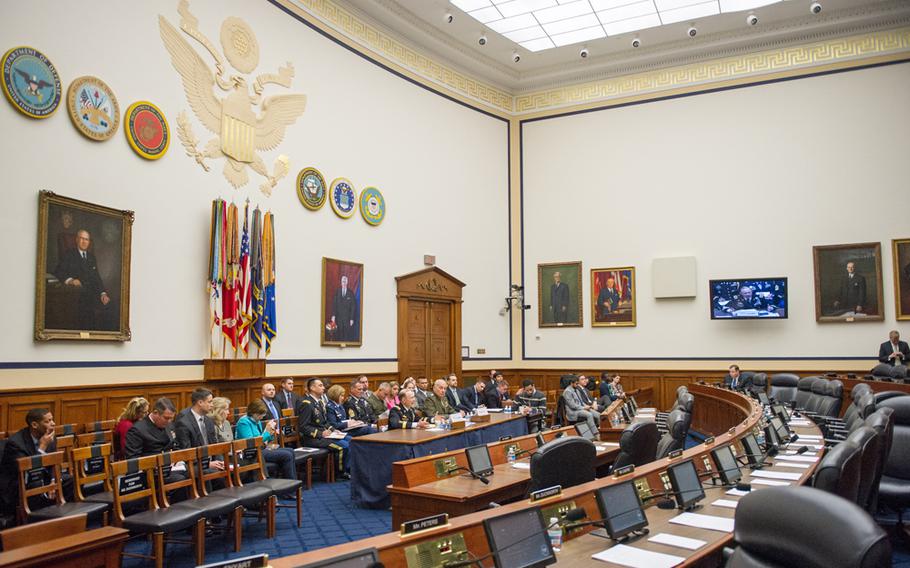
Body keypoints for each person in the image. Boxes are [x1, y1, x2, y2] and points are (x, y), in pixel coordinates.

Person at [0, 408, 72, 516]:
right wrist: (42, 447)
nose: (53, 424)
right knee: (36, 484)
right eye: (47, 421)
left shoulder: (50, 437)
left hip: (41, 478)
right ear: (34, 425)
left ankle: (61, 516)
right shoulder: (15, 444)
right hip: (20, 484)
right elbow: (28, 472)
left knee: (69, 480)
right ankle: (36, 521)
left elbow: (54, 462)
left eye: (52, 420)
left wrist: (53, 480)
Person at [52, 229, 112, 330]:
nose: (84, 242)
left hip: (93, 294)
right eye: (81, 238)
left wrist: (103, 293)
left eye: (86, 239)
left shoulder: (91, 257)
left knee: (110, 307)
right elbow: (58, 272)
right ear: (76, 240)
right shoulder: (69, 254)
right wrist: (70, 280)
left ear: (89, 242)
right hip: (76, 296)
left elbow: (97, 277)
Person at [298, 378, 350, 478]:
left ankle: (349, 468)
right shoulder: (307, 404)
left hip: (324, 436)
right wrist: (320, 433)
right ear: (312, 388)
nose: (324, 388)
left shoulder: (320, 403)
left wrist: (334, 430)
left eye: (323, 385)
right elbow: (303, 427)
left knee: (350, 439)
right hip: (313, 439)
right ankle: (340, 472)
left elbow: (324, 423)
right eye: (320, 385)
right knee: (343, 446)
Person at [235, 400, 296, 480]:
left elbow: (263, 439)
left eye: (263, 414)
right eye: (260, 414)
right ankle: (290, 483)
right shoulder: (244, 422)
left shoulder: (257, 420)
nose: (262, 416)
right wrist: (267, 432)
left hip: (263, 448)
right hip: (252, 452)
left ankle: (293, 482)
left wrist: (272, 433)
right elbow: (251, 443)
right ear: (253, 412)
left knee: (291, 450)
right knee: (287, 455)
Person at [331, 275, 358, 341]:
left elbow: (353, 307)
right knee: (338, 335)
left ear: (347, 282)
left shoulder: (350, 293)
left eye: (345, 281)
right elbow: (334, 304)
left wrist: (351, 319)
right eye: (343, 281)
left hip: (347, 319)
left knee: (346, 336)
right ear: (341, 282)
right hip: (338, 318)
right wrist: (333, 315)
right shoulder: (337, 292)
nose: (344, 283)